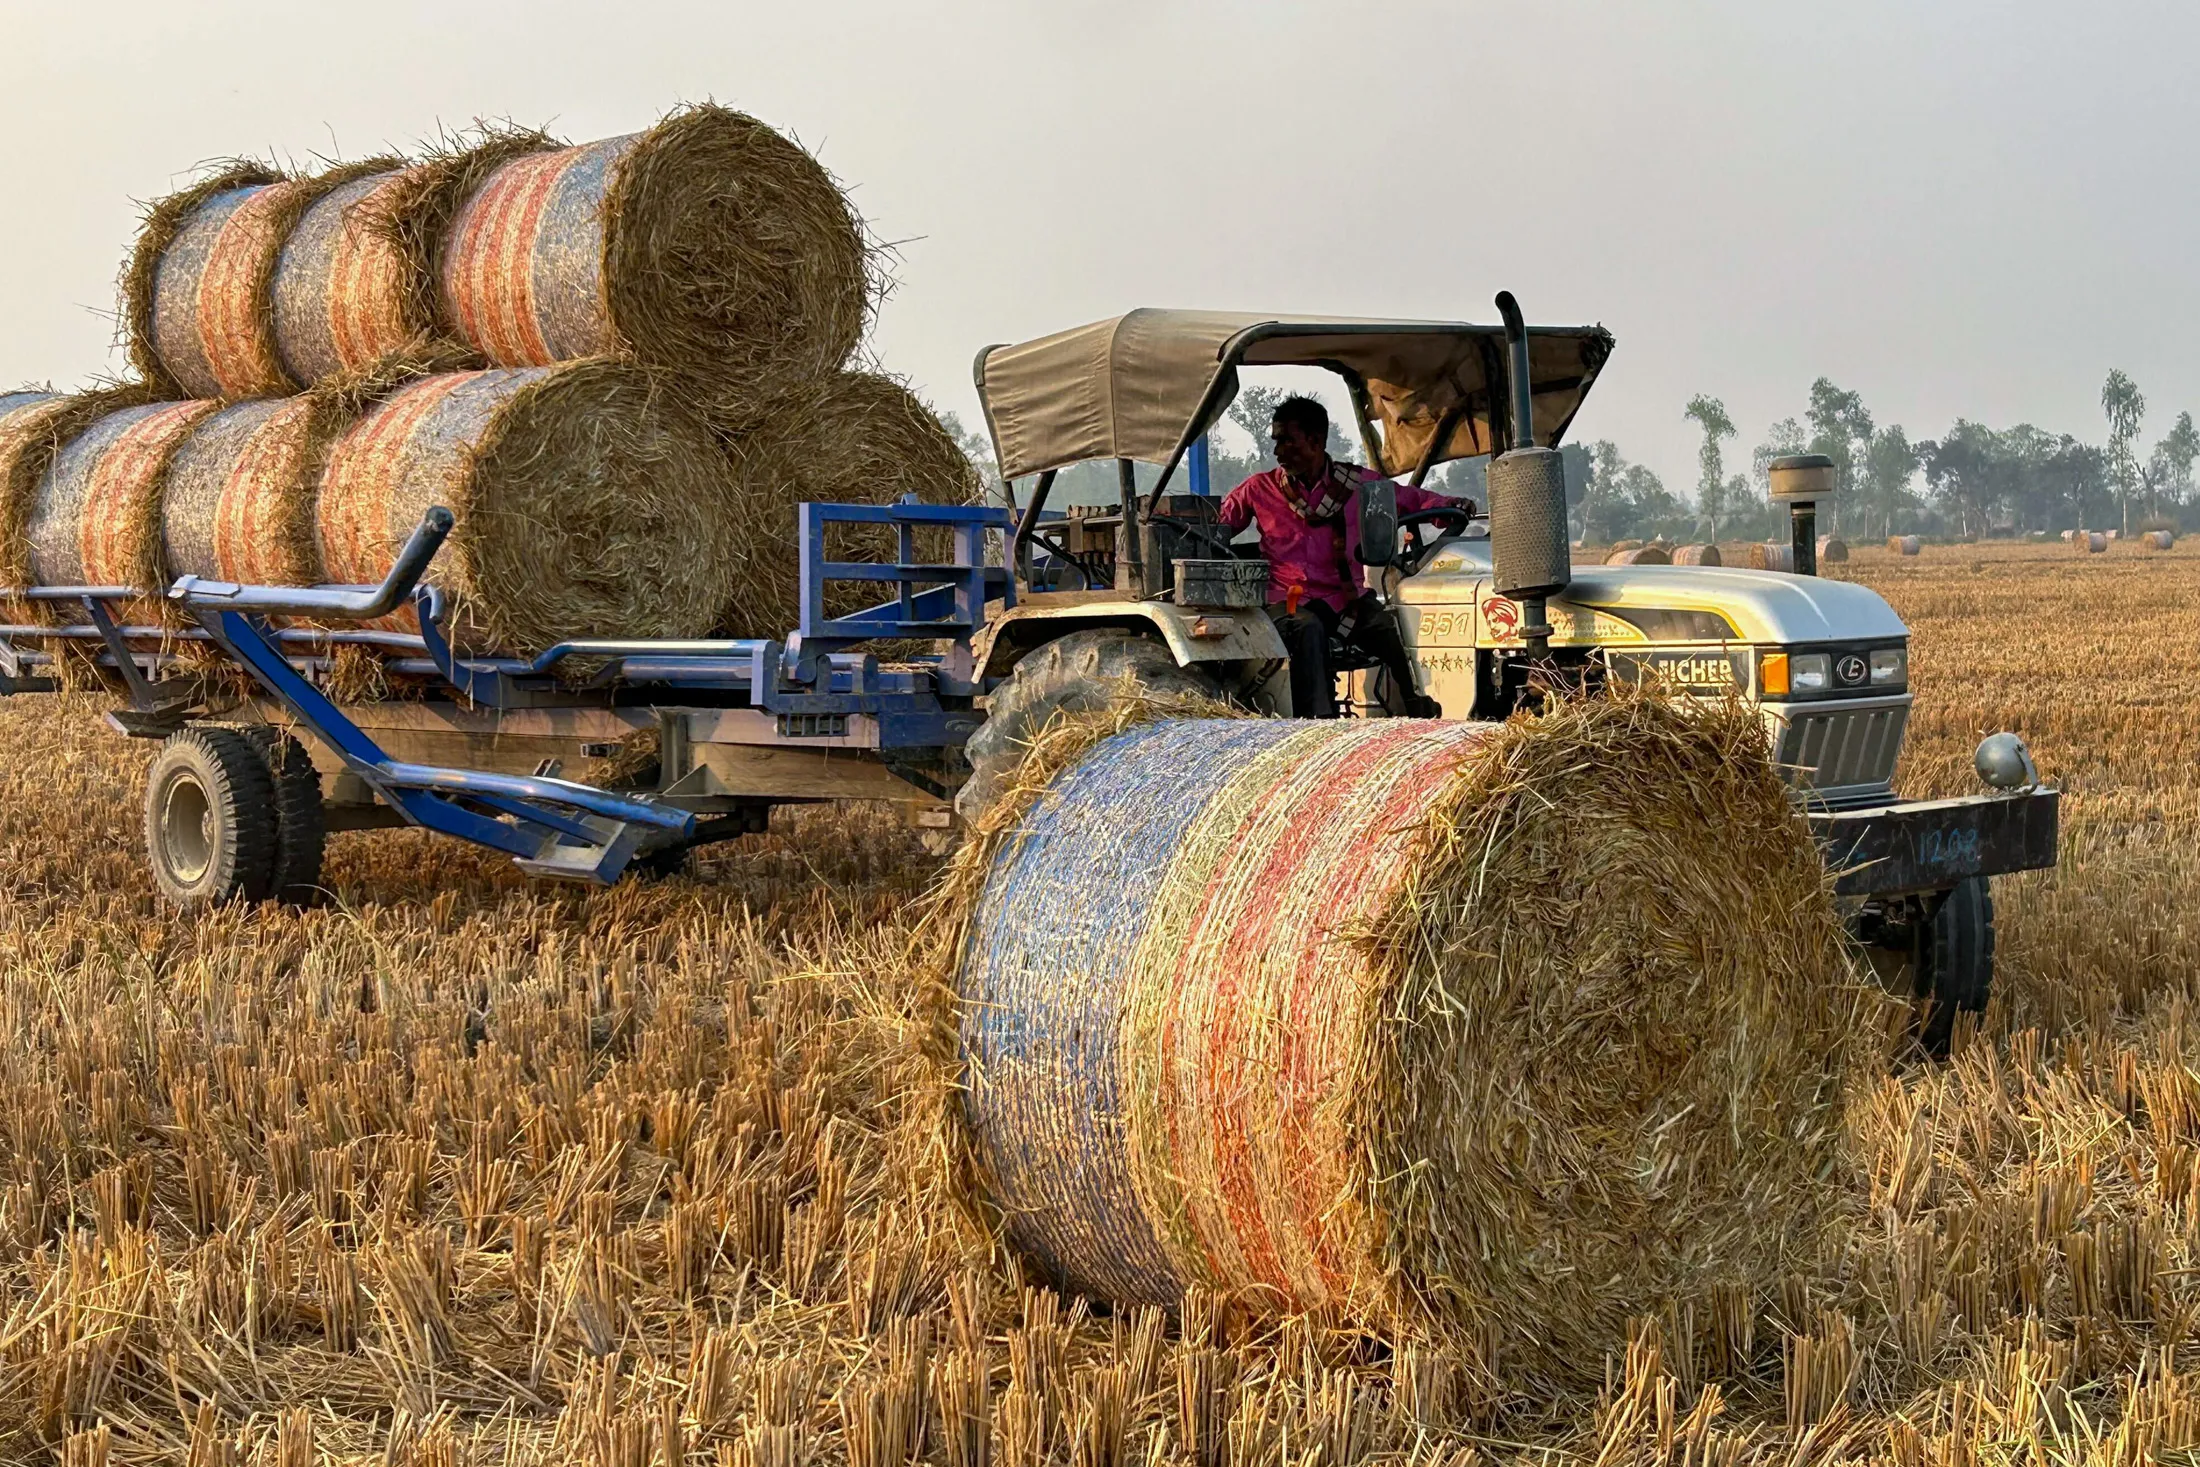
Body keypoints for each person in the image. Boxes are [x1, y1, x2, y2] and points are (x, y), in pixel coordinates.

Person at [1216, 395, 1471, 718]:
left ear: (1316, 440)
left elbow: (1410, 499)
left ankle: (1416, 710)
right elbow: (1216, 527)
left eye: (1287, 441)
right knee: (1306, 628)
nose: (1278, 451)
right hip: (1291, 598)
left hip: (1344, 598)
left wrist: (1451, 505)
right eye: (1276, 441)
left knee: (1388, 627)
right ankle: (1321, 724)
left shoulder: (1359, 485)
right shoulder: (1258, 489)